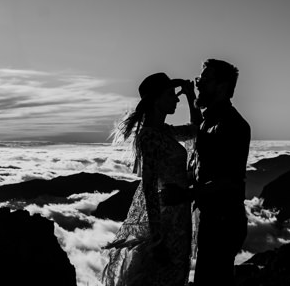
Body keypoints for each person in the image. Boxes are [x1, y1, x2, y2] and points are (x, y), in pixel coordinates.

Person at [101, 71, 202, 286]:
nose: (176, 99)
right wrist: (157, 239)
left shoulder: (164, 131)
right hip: (167, 220)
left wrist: (190, 95)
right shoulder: (149, 136)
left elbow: (196, 129)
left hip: (178, 215)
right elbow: (149, 187)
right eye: (170, 95)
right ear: (156, 99)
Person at [162, 58, 250, 286]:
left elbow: (230, 181)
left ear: (222, 86)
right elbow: (200, 129)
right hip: (212, 219)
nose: (198, 83)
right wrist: (190, 96)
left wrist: (185, 195)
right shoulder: (211, 120)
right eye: (198, 79)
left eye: (204, 80)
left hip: (223, 223)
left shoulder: (234, 125)